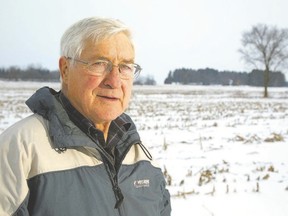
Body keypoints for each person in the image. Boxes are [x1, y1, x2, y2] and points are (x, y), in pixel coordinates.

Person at [0, 17, 171, 216]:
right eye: (99, 63)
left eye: (125, 67)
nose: (114, 81)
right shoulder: (20, 149)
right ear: (65, 69)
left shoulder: (141, 156)